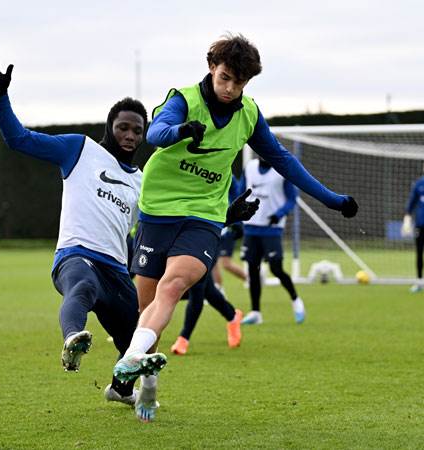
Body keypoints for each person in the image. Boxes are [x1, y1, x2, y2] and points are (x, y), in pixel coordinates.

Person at [112, 33, 359, 423]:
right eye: (225, 77)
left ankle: (129, 358)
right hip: (157, 211)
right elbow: (156, 133)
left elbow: (281, 159)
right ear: (212, 67)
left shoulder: (248, 114)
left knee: (174, 286)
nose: (230, 89)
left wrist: (331, 198)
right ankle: (147, 383)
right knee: (146, 309)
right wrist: (179, 132)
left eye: (239, 83)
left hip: (206, 215)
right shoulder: (185, 99)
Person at [0, 56, 148, 406]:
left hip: (117, 270)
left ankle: (121, 390)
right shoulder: (80, 149)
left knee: (135, 340)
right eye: (123, 127)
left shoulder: (142, 182)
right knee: (83, 287)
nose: (130, 135)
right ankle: (74, 338)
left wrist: (228, 214)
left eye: (137, 129)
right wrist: (0, 99)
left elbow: (165, 221)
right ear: (110, 127)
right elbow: (20, 140)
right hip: (76, 256)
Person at [239, 157, 304, 325]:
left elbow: (292, 199)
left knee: (276, 269)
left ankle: (296, 300)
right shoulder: (250, 167)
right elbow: (240, 191)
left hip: (271, 228)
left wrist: (279, 214)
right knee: (253, 271)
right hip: (251, 226)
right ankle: (255, 312)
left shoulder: (282, 170)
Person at [212, 176, 247, 287]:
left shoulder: (228, 176)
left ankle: (252, 278)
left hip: (228, 228)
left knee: (226, 263)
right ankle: (218, 291)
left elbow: (237, 196)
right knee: (212, 263)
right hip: (214, 224)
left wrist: (237, 223)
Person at [402, 174, 424, 292]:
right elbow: (411, 203)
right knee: (419, 253)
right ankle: (419, 282)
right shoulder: (419, 183)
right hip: (420, 225)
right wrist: (407, 219)